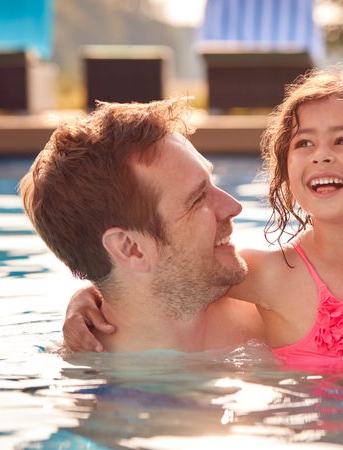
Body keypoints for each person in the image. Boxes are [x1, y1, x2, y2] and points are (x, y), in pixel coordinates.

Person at [64, 68, 343, 359]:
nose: (321, 155)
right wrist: (85, 299)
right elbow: (157, 283)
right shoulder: (269, 272)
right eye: (304, 144)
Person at [20, 99, 265, 352]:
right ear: (130, 248)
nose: (234, 206)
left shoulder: (278, 307)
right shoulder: (84, 378)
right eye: (197, 198)